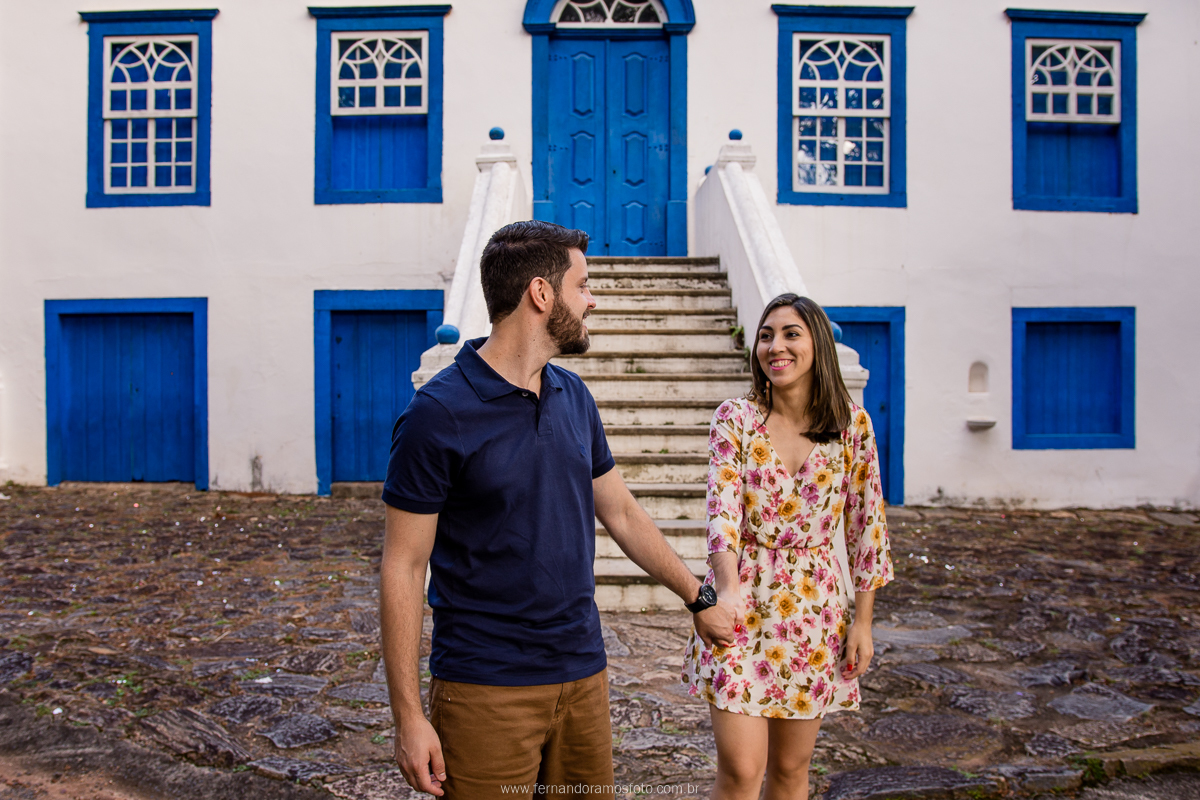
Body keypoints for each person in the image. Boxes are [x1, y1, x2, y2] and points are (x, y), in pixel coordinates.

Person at [379, 220, 737, 799]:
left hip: (583, 674)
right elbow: (402, 565)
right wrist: (409, 717)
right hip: (484, 687)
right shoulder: (436, 415)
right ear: (541, 294)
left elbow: (620, 512)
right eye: (583, 285)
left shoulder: (575, 396)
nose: (592, 300)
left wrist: (696, 595)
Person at [681, 293, 893, 800]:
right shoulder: (735, 419)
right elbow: (723, 514)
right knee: (740, 769)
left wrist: (862, 622)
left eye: (791, 333)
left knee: (792, 771)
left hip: (815, 612)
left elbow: (868, 530)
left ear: (817, 343)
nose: (775, 346)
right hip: (743, 602)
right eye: (766, 335)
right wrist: (726, 592)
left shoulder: (852, 428)